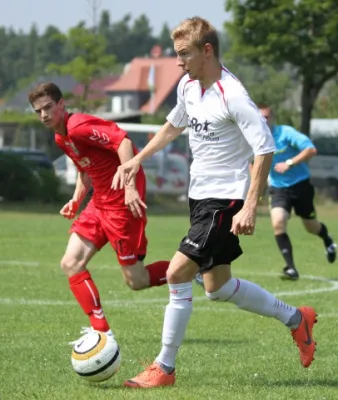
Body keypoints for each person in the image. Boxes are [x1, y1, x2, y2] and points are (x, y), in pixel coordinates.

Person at [112, 17, 318, 389]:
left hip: (225, 200)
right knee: (218, 287)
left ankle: (164, 368)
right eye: (176, 54)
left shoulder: (233, 94)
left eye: (184, 54)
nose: (178, 62)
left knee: (177, 274)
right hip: (199, 197)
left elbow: (265, 148)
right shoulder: (189, 86)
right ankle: (296, 319)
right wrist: (136, 159)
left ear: (207, 51)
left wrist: (250, 204)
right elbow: (173, 126)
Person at [28, 83, 170, 343]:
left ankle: (188, 268)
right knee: (70, 263)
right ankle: (101, 330)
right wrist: (75, 199)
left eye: (48, 107)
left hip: (121, 206)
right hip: (99, 203)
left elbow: (123, 142)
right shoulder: (61, 137)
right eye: (39, 111)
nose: (44, 115)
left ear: (61, 105)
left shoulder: (78, 126)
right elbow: (85, 170)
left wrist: (129, 188)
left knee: (136, 281)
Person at [259, 105, 337, 280]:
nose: (263, 121)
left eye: (266, 117)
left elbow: (311, 150)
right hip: (278, 188)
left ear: (273, 118)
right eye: (260, 117)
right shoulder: (258, 138)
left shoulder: (286, 133)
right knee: (278, 222)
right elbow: (253, 162)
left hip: (300, 185)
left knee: (311, 226)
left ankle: (327, 240)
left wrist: (290, 163)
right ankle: (291, 269)